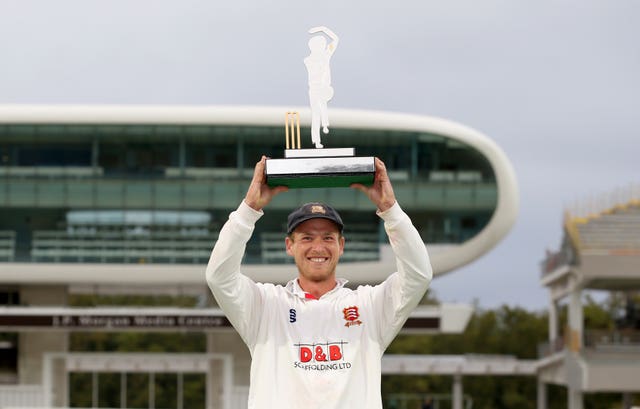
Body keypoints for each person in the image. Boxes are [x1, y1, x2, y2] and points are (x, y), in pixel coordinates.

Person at [206, 156, 432, 409]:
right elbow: (219, 277)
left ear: (341, 246)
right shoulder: (265, 305)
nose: (318, 247)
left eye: (327, 237)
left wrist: (391, 210)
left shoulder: (370, 305)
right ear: (289, 246)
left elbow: (419, 275)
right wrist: (248, 210)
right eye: (306, 238)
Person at [304, 26, 339, 148]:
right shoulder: (309, 60)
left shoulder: (326, 55)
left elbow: (336, 39)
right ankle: (317, 140)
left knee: (322, 106)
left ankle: (325, 125)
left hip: (323, 88)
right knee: (315, 114)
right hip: (314, 89)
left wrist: (322, 29)